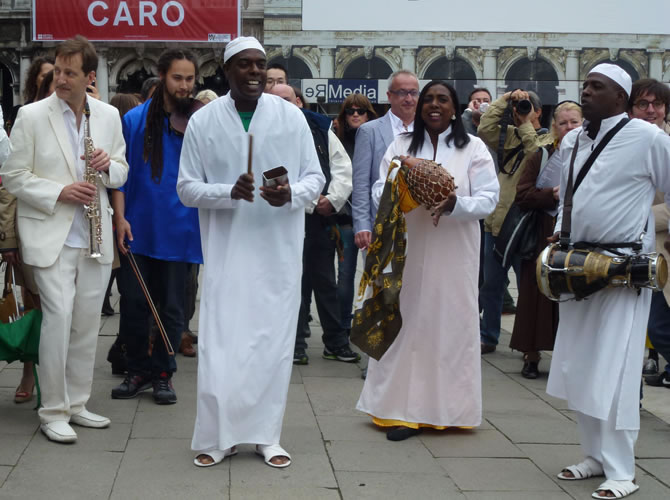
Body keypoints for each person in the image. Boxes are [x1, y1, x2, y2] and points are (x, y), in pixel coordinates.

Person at [177, 37, 325, 468]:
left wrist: (291, 194)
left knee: (272, 344)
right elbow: (186, 188)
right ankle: (218, 436)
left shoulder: (290, 117)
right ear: (227, 71)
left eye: (261, 64)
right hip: (225, 253)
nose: (255, 71)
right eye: (245, 65)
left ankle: (266, 436)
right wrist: (228, 192)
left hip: (277, 253)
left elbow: (315, 178)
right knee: (220, 345)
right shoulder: (204, 121)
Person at [549, 64, 670, 500]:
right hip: (576, 265)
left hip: (624, 269)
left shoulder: (648, 138)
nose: (586, 92)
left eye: (596, 87)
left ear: (620, 98)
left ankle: (622, 471)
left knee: (616, 369)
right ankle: (594, 456)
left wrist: (653, 243)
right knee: (579, 363)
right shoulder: (572, 140)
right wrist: (560, 242)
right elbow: (568, 198)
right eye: (585, 85)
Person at [0, 36, 128, 443]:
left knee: (88, 322)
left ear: (90, 76)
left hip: (94, 233)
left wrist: (109, 167)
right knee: (58, 320)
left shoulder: (107, 115)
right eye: (58, 70)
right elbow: (15, 177)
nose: (61, 79)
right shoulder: (32, 116)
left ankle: (77, 403)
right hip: (50, 232)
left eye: (70, 72)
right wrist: (60, 192)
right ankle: (52, 409)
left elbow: (123, 172)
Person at [356, 80, 499, 441]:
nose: (434, 105)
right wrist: (403, 184)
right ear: (419, 107)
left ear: (455, 108)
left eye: (443, 100)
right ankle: (400, 411)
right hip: (408, 245)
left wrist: (454, 204)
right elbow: (378, 190)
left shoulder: (474, 148)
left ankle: (451, 410)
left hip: (455, 250)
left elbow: (488, 199)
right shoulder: (401, 145)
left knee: (451, 324)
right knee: (408, 323)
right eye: (428, 99)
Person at [110, 49, 203, 405]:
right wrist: (120, 217)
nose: (184, 85)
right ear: (162, 76)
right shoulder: (135, 120)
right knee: (134, 303)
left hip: (181, 227)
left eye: (190, 79)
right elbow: (119, 175)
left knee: (173, 308)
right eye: (178, 77)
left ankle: (164, 373)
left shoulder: (198, 120)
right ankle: (137, 370)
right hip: (138, 226)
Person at [269, 84, 355, 365]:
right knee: (290, 284)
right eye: (275, 100)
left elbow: (342, 169)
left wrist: (333, 199)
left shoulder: (319, 128)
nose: (282, 104)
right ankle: (294, 345)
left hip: (318, 220)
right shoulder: (265, 132)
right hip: (281, 219)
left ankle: (336, 342)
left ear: (298, 101)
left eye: (287, 99)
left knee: (326, 282)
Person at [509, 101, 582, 378]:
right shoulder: (541, 155)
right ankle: (531, 355)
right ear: (554, 126)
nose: (568, 128)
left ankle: (571, 360)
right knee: (535, 296)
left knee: (574, 296)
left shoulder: (593, 155)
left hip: (578, 235)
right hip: (542, 233)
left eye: (574, 122)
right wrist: (549, 194)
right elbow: (522, 195)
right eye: (562, 123)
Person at [477, 89, 553, 353]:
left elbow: (539, 161)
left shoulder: (549, 140)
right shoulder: (509, 136)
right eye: (520, 106)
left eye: (527, 106)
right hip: (497, 222)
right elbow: (485, 127)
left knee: (527, 288)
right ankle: (488, 336)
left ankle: (527, 343)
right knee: (491, 285)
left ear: (539, 111)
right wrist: (506, 99)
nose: (522, 110)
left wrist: (526, 127)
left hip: (525, 226)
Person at [628, 79, 670, 389]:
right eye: (643, 104)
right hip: (625, 255)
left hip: (661, 254)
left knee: (659, 329)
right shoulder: (621, 143)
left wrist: (636, 217)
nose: (651, 110)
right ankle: (633, 398)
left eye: (657, 104)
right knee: (629, 333)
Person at [352, 70, 419, 254]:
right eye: (401, 92)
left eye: (413, 93)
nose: (408, 98)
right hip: (380, 226)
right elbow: (361, 183)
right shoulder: (370, 131)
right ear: (389, 96)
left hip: (419, 227)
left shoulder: (427, 131)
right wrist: (362, 225)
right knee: (380, 282)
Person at [334, 94, 378, 336]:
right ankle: (342, 327)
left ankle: (367, 323)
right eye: (350, 111)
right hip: (345, 219)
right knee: (344, 277)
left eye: (361, 111)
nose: (355, 115)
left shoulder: (375, 136)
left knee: (373, 277)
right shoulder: (337, 141)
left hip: (371, 219)